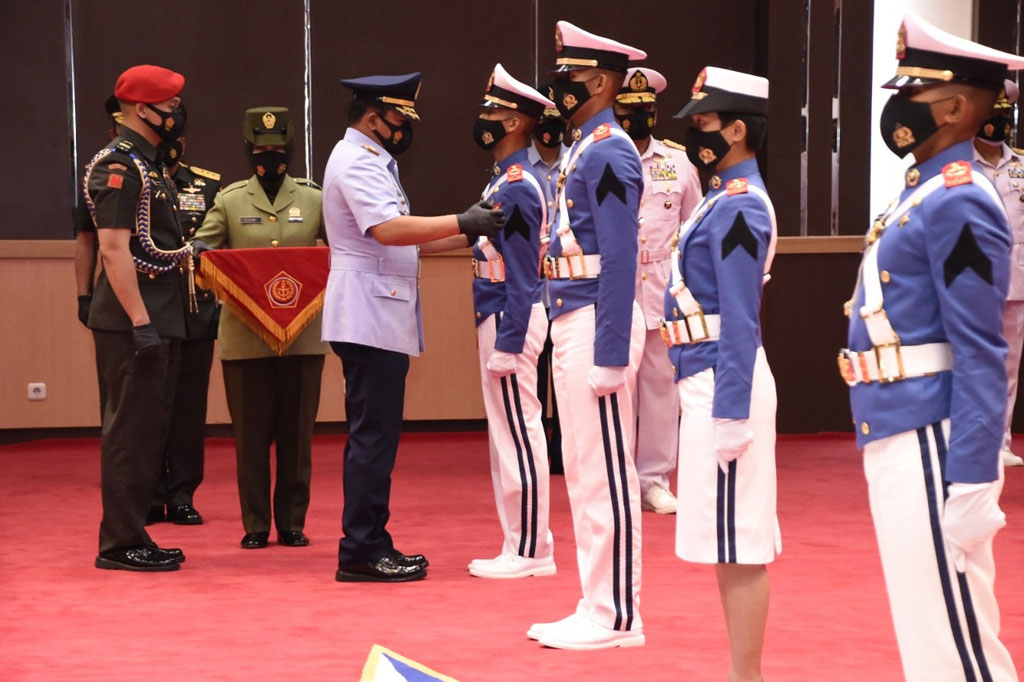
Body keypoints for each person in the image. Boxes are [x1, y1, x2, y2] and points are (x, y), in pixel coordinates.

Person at [839, 11, 1021, 679]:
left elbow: (981, 347)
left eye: (910, 93)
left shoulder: (959, 199)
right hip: (895, 417)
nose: (897, 108)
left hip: (930, 429)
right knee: (927, 624)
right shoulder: (919, 193)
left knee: (957, 636)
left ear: (951, 104)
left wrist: (975, 475)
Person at [322, 73, 502, 583]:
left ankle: (370, 541)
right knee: (373, 437)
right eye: (399, 119)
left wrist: (472, 236)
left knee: (376, 435)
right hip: (367, 314)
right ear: (374, 118)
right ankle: (361, 549)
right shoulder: (357, 162)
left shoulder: (373, 159)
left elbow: (409, 242)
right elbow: (387, 229)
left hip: (375, 313)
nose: (404, 129)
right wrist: (462, 221)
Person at [525, 21, 648, 650]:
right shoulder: (587, 145)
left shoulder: (608, 149)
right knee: (581, 468)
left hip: (597, 316)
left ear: (600, 81)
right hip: (573, 309)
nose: (561, 86)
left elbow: (622, 253)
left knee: (606, 471)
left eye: (571, 75)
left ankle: (616, 614)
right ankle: (596, 600)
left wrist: (609, 349)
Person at [666, 66, 779, 682]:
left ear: (738, 129)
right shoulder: (719, 199)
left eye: (706, 122)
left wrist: (731, 410)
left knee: (740, 547)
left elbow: (740, 317)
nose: (696, 131)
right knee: (725, 545)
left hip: (722, 381)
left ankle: (747, 677)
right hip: (704, 376)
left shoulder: (739, 208)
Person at [191, 106, 327, 550]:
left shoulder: (313, 198)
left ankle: (291, 522)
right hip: (244, 338)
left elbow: (340, 248)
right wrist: (194, 252)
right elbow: (204, 248)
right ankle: (254, 524)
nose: (270, 157)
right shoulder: (230, 200)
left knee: (297, 436)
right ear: (249, 152)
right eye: (261, 150)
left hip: (302, 338)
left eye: (278, 150)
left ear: (290, 150)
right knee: (250, 438)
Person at [84, 64, 192, 572]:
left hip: (157, 314)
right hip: (136, 320)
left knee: (149, 431)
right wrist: (140, 322)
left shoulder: (149, 164)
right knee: (129, 432)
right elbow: (112, 249)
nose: (175, 115)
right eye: (168, 108)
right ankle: (119, 543)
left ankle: (133, 534)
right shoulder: (120, 165)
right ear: (140, 110)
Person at [466, 64, 557, 580]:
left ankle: (530, 549)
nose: (486, 120)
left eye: (495, 112)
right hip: (499, 313)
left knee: (519, 435)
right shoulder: (504, 179)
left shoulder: (519, 186)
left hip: (509, 316)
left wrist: (510, 337)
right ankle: (521, 541)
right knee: (508, 433)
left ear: (519, 122)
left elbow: (524, 273)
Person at [614, 67, 702, 514]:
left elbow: (693, 230)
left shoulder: (678, 162)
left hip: (661, 290)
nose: (639, 118)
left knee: (661, 388)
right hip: (614, 290)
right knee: (616, 387)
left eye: (646, 110)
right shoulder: (600, 156)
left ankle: (654, 480)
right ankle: (619, 479)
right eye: (630, 110)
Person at [148, 123, 223, 526]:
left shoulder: (208, 186)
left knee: (188, 407)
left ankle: (180, 494)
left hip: (195, 310)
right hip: (152, 307)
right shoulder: (138, 178)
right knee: (149, 405)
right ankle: (147, 493)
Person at [973, 79, 1024, 469]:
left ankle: (1001, 441)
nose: (999, 125)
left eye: (1005, 116)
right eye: (992, 116)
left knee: (1007, 366)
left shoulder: (1021, 166)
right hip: (972, 281)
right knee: (970, 362)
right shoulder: (959, 166)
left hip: (1016, 282)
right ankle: (971, 439)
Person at [75, 95, 123, 421]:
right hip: (114, 302)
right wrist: (83, 295)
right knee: (115, 396)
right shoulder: (102, 173)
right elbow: (86, 239)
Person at [530, 93, 566, 475]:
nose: (551, 130)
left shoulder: (578, 159)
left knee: (566, 374)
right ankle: (540, 447)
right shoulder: (518, 166)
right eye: (545, 122)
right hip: (533, 289)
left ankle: (566, 449)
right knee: (536, 375)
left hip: (569, 288)